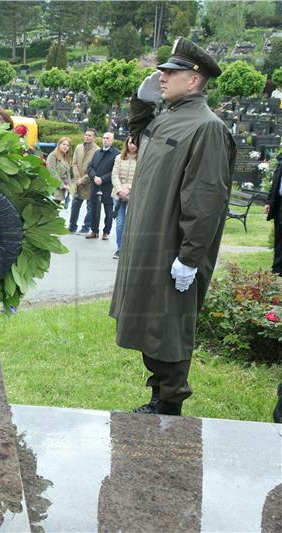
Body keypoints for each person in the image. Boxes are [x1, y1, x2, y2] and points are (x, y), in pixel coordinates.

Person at [110, 37, 236, 416]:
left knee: (168, 326)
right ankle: (158, 396)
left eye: (171, 72)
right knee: (151, 323)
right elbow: (139, 137)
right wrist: (141, 101)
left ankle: (169, 404)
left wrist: (190, 256)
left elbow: (206, 198)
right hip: (149, 243)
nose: (162, 77)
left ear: (194, 80)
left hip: (172, 248)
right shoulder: (170, 117)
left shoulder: (206, 127)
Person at [85, 131, 119, 240]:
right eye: (104, 138)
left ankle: (106, 232)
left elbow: (115, 171)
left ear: (112, 140)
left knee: (108, 211)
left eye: (108, 138)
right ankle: (94, 231)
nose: (105, 140)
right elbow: (90, 167)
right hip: (95, 185)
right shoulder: (97, 152)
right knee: (94, 209)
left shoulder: (116, 154)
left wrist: (102, 179)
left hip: (108, 187)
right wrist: (94, 177)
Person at [110, 135, 138, 259]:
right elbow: (114, 175)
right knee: (120, 222)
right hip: (119, 195)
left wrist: (129, 188)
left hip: (134, 195)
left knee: (133, 223)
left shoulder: (143, 159)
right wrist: (120, 190)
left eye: (134, 143)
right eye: (130, 143)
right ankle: (120, 248)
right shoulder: (118, 158)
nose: (131, 145)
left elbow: (142, 177)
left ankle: (131, 249)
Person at [69, 129, 98, 235]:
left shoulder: (97, 150)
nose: (87, 137)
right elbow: (74, 163)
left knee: (90, 207)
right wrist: (77, 178)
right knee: (74, 205)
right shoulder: (78, 147)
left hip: (89, 183)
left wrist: (83, 179)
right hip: (75, 182)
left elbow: (95, 168)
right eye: (86, 135)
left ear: (94, 138)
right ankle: (71, 227)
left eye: (89, 135)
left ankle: (86, 227)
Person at [266, 151, 282, 276]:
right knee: (279, 237)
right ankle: (277, 269)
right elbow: (275, 183)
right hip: (279, 203)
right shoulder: (281, 161)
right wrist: (269, 202)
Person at [46, 136, 72, 208]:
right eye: (64, 144)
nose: (65, 147)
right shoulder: (53, 155)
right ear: (59, 144)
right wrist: (62, 185)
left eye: (67, 145)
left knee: (55, 210)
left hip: (62, 190)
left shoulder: (66, 157)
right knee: (50, 210)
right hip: (53, 188)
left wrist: (69, 186)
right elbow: (52, 172)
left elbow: (68, 174)